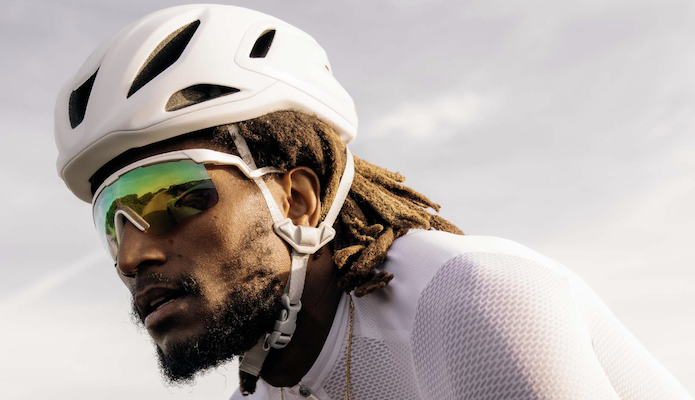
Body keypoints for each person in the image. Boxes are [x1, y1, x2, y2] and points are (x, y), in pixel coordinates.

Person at [54, 4, 692, 400]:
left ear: (296, 200)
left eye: (170, 197)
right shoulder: (264, 387)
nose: (131, 256)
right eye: (112, 219)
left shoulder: (472, 303)